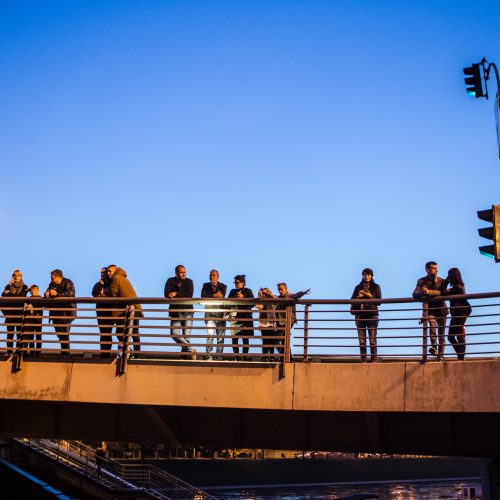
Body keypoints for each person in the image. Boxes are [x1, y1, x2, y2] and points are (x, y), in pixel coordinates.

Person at [413, 261, 448, 361]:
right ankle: (434, 348)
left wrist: (429, 292)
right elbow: (414, 294)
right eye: (433, 268)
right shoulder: (421, 281)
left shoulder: (442, 281)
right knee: (432, 326)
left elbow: (442, 293)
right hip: (431, 310)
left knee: (442, 334)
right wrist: (422, 292)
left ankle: (440, 355)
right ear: (428, 269)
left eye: (436, 268)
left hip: (442, 310)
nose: (436, 270)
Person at [107, 265, 142, 357]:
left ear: (115, 271)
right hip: (134, 307)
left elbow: (113, 294)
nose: (108, 273)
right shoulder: (124, 279)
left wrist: (103, 293)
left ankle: (129, 351)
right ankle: (136, 354)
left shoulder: (116, 278)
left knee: (120, 332)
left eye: (110, 271)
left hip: (128, 309)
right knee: (134, 332)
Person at [350, 268, 382, 362]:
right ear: (362, 276)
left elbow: (379, 301)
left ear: (371, 276)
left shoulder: (376, 287)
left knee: (372, 340)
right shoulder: (357, 287)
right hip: (360, 316)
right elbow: (351, 300)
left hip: (372, 315)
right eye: (365, 275)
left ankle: (373, 360)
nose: (366, 276)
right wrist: (358, 297)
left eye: (368, 274)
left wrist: (370, 296)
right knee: (362, 340)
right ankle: (363, 360)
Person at [164, 265, 196, 358]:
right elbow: (166, 293)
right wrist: (172, 294)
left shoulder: (189, 282)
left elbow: (189, 295)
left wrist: (176, 293)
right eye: (182, 272)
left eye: (185, 272)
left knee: (186, 336)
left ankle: (185, 357)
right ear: (176, 273)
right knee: (174, 334)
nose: (184, 274)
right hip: (175, 311)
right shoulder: (170, 281)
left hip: (188, 311)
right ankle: (190, 350)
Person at [274, 283, 310, 360]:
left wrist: (302, 293)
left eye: (281, 289)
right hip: (280, 321)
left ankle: (286, 357)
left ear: (286, 289)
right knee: (281, 339)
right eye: (279, 290)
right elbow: (272, 297)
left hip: (289, 320)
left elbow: (297, 295)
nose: (280, 291)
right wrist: (266, 293)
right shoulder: (279, 297)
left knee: (283, 338)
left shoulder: (290, 296)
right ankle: (287, 356)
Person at [44, 269, 75, 356]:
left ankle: (65, 353)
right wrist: (46, 293)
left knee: (64, 333)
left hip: (66, 313)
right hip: (55, 313)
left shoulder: (68, 282)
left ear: (58, 277)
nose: (51, 280)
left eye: (53, 278)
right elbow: (47, 291)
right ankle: (64, 352)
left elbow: (70, 294)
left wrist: (57, 294)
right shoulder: (52, 284)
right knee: (59, 333)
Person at [444, 268, 471, 361]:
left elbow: (443, 292)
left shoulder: (457, 287)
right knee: (452, 337)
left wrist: (446, 281)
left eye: (449, 275)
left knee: (458, 335)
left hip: (461, 312)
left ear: (452, 276)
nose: (448, 277)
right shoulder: (458, 286)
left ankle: (461, 357)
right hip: (458, 312)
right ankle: (460, 356)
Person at [200, 270, 227, 360]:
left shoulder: (223, 286)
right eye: (210, 275)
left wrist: (211, 295)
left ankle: (218, 356)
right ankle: (209, 355)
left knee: (220, 338)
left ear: (218, 277)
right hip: (210, 314)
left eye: (214, 275)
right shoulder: (205, 285)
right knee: (210, 336)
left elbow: (222, 296)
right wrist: (214, 295)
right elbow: (203, 297)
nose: (212, 277)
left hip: (220, 315)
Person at [2, 270, 29, 355]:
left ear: (21, 277)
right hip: (9, 314)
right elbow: (3, 295)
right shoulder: (8, 286)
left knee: (19, 334)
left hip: (19, 313)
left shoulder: (25, 286)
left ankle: (18, 352)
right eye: (14, 275)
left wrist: (9, 294)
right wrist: (9, 286)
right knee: (10, 334)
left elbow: (22, 296)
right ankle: (9, 351)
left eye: (17, 275)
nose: (15, 277)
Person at [227, 275, 254, 359]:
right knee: (234, 339)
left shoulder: (248, 291)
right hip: (235, 318)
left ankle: (245, 357)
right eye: (234, 282)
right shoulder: (232, 291)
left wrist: (243, 297)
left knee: (245, 339)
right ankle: (237, 357)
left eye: (237, 283)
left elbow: (253, 303)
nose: (235, 284)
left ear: (243, 283)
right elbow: (228, 302)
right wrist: (235, 297)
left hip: (246, 318)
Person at [92, 267, 113, 358]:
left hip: (109, 311)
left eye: (104, 273)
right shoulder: (98, 284)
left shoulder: (111, 284)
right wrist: (100, 285)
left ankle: (107, 353)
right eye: (101, 273)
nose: (102, 275)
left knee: (108, 332)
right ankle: (103, 353)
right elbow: (94, 293)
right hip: (100, 311)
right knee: (103, 333)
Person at [256, 287, 276, 361]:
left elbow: (275, 303)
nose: (264, 294)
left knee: (271, 340)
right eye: (263, 292)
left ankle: (272, 357)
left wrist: (268, 294)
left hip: (271, 322)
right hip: (263, 323)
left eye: (265, 292)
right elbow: (258, 306)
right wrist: (260, 297)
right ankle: (264, 357)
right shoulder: (261, 299)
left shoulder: (272, 299)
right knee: (265, 340)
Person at [26, 284, 43, 356]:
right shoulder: (28, 299)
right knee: (31, 336)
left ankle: (38, 352)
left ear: (38, 290)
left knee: (38, 336)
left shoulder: (40, 298)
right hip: (30, 319)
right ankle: (32, 351)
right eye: (31, 290)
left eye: (34, 290)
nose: (33, 291)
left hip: (38, 319)